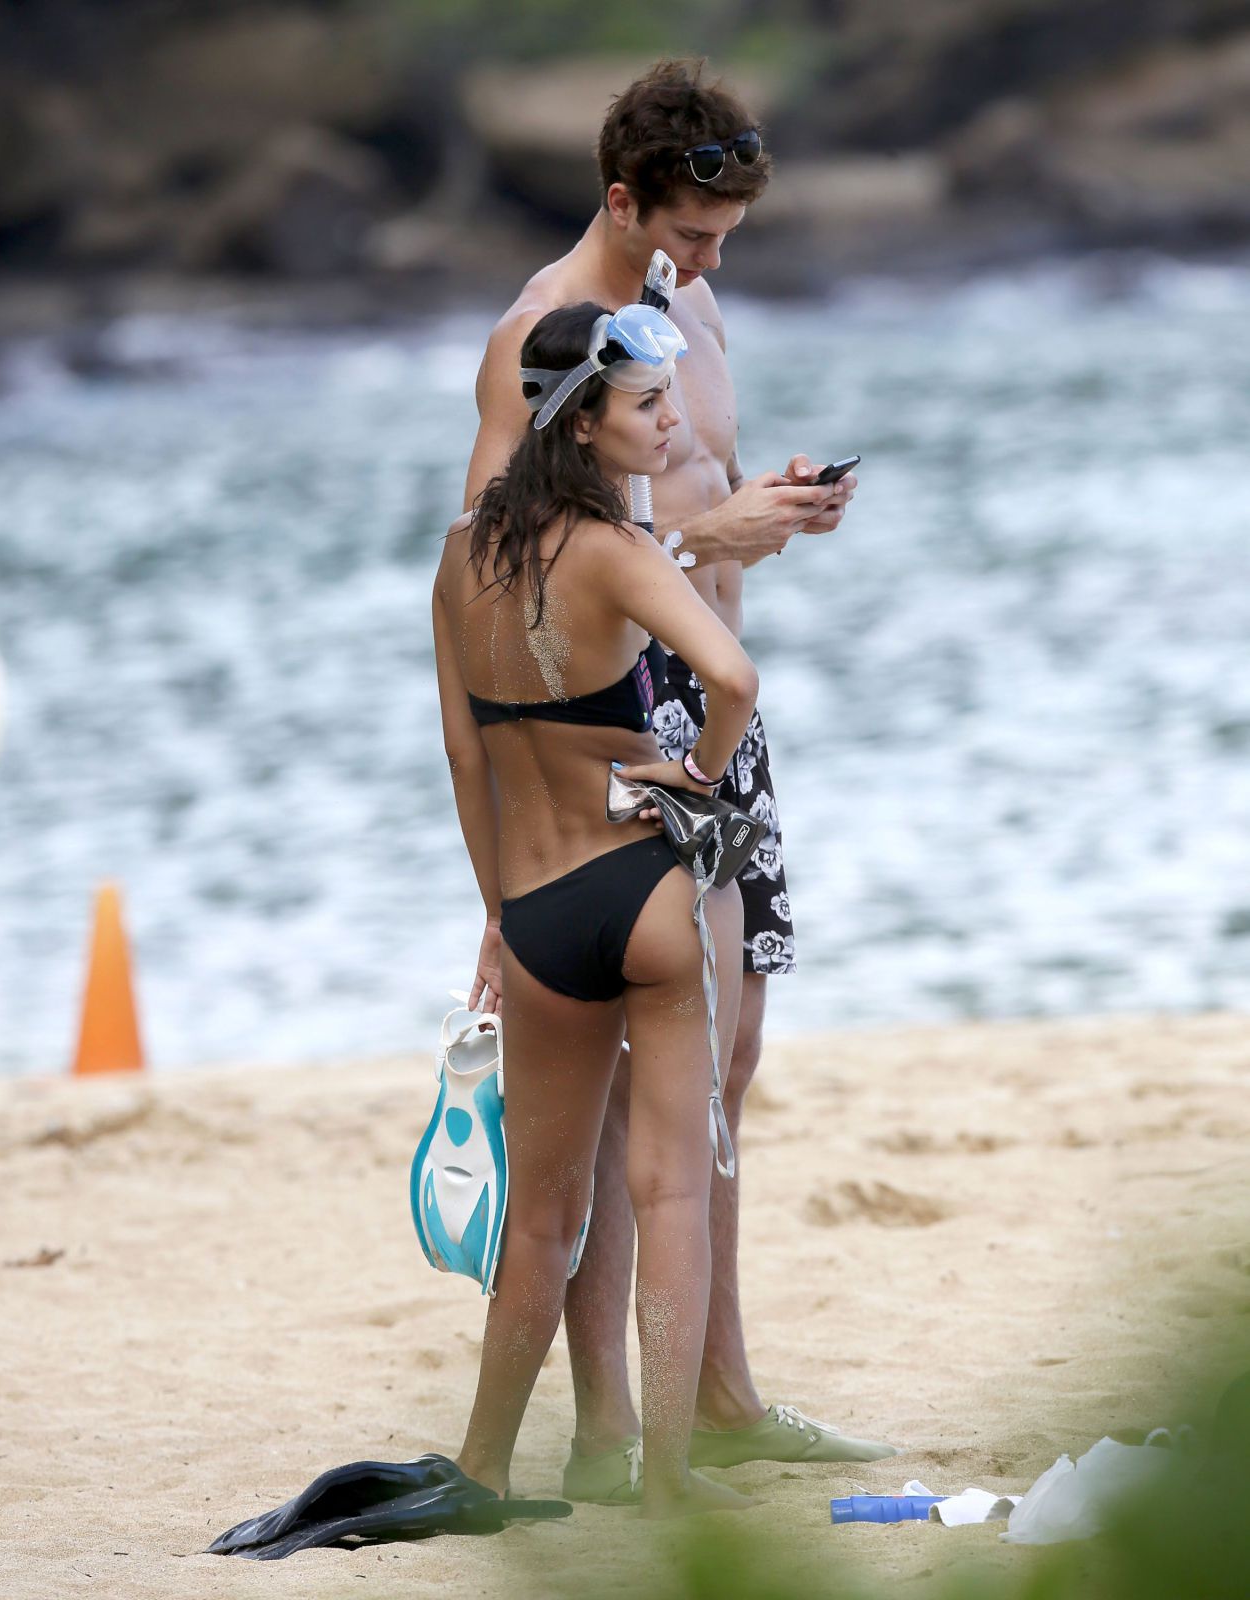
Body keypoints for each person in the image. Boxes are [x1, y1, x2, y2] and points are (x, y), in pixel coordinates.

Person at [461, 60, 894, 1501]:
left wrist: (768, 514)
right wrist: (711, 532)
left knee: (724, 1061)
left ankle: (716, 1392)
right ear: (619, 198)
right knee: (616, 1081)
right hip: (622, 723)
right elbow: (505, 557)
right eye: (689, 235)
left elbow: (686, 499)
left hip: (720, 716)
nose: (706, 264)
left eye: (723, 239)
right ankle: (605, 1424)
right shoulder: (537, 334)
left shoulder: (689, 311)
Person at [434, 298, 761, 1516]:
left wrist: (499, 910)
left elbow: (465, 759)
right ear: (580, 425)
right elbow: (731, 676)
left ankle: (481, 1463)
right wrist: (697, 775)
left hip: (536, 908)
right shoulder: (617, 552)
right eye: (645, 403)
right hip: (642, 892)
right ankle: (667, 1482)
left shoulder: (457, 557)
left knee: (540, 1212)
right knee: (667, 1188)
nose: (670, 421)